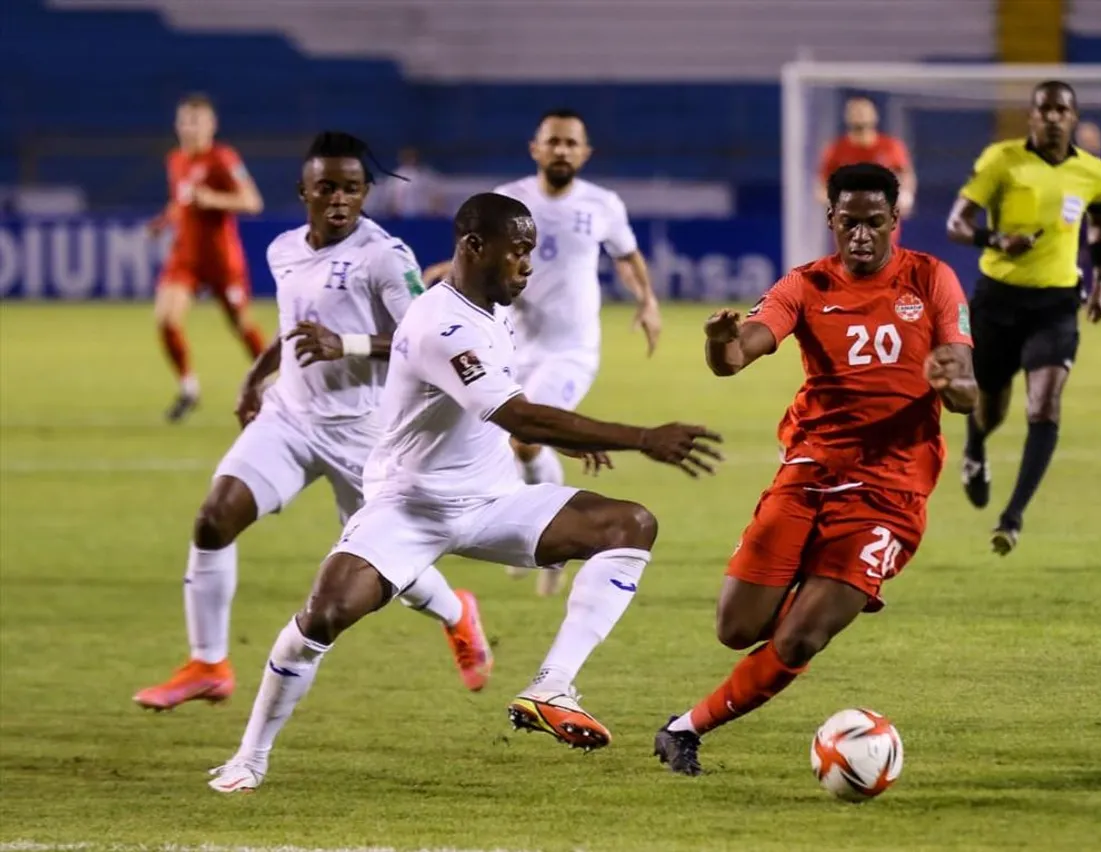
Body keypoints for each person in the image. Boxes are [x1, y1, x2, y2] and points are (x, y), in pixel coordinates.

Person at [208, 192, 722, 793]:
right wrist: (643, 437)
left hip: (493, 501)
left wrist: (568, 431)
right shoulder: (441, 324)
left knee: (630, 524)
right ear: (475, 247)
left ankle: (551, 684)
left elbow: (513, 393)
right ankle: (250, 757)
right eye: (520, 251)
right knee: (323, 617)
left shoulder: (492, 307)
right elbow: (519, 417)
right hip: (409, 506)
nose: (529, 264)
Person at [134, 131, 488, 713]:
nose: (339, 199)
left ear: (365, 192)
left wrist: (343, 343)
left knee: (390, 573)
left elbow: (420, 338)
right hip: (291, 419)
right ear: (304, 190)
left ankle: (458, 612)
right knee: (213, 520)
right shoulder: (282, 250)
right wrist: (256, 376)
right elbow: (296, 324)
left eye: (352, 188)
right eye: (327, 187)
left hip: (367, 434)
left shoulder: (385, 256)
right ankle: (207, 664)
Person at [652, 164, 976, 777]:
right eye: (848, 222)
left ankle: (684, 729)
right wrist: (720, 341)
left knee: (801, 636)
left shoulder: (932, 279)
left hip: (890, 494)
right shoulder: (804, 285)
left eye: (873, 223)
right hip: (809, 473)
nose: (860, 235)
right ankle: (805, 589)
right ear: (830, 220)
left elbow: (964, 385)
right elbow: (737, 355)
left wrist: (952, 382)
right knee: (735, 626)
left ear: (894, 223)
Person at [423, 108, 662, 596]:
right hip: (508, 343)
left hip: (570, 351)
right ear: (535, 148)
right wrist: (449, 270)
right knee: (502, 445)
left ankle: (553, 539)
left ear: (585, 152)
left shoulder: (602, 205)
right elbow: (483, 253)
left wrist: (648, 301)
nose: (562, 150)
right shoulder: (510, 199)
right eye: (553, 142)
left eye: (571, 143)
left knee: (525, 440)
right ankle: (538, 537)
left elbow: (626, 255)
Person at [945, 81, 1101, 555]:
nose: (1054, 117)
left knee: (1044, 404)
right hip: (998, 301)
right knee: (991, 407)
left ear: (1075, 117)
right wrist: (997, 241)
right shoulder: (1001, 160)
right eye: (1045, 109)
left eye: (1063, 109)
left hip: (1057, 304)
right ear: (1032, 117)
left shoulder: (1094, 173)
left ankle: (1013, 516)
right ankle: (975, 448)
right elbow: (956, 223)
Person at [148, 93, 267, 423]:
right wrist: (164, 220)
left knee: (241, 325)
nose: (190, 128)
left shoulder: (223, 159)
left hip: (221, 259)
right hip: (185, 256)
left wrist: (212, 198)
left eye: (197, 121)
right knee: (166, 319)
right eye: (185, 121)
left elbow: (253, 202)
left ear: (211, 125)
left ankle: (273, 386)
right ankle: (189, 388)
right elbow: (181, 200)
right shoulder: (176, 160)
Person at [816, 97, 917, 219]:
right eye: (855, 111)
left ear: (874, 115)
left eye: (864, 111)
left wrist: (906, 196)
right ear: (847, 116)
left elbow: (906, 175)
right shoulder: (835, 149)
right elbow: (821, 185)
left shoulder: (891, 147)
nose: (860, 115)